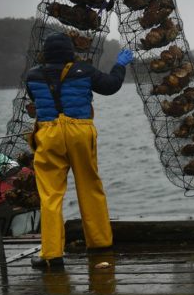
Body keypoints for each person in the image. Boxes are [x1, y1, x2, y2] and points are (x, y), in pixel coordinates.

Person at [25, 32, 134, 269]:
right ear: (69, 53)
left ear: (45, 53)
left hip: (49, 134)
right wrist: (120, 65)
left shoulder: (32, 75)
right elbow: (110, 86)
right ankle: (99, 242)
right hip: (79, 132)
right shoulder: (84, 70)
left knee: (50, 195)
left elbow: (35, 98)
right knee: (89, 185)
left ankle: (52, 254)